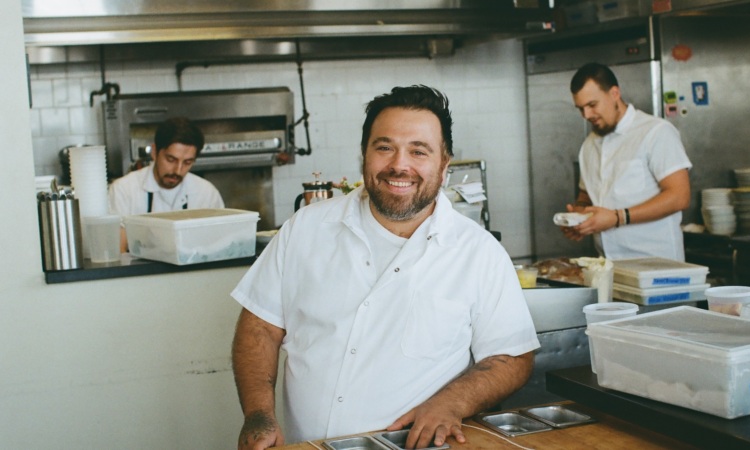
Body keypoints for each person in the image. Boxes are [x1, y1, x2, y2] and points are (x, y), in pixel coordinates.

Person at [230, 85, 539, 449]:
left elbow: (511, 356)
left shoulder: (478, 252)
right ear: (364, 154)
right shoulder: (306, 229)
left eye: (418, 151)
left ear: (444, 165)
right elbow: (260, 327)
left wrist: (452, 402)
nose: (399, 164)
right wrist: (259, 414)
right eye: (384, 147)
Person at [561, 63, 692, 261]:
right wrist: (580, 218)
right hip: (609, 266)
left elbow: (679, 196)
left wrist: (617, 217)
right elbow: (586, 196)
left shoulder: (655, 132)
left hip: (659, 267)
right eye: (581, 108)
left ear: (614, 93)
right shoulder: (589, 145)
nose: (586, 115)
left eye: (592, 105)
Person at [107, 117, 224, 249]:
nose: (178, 171)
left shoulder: (207, 194)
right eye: (171, 159)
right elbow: (118, 249)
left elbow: (220, 245)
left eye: (187, 162)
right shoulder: (124, 190)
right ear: (155, 152)